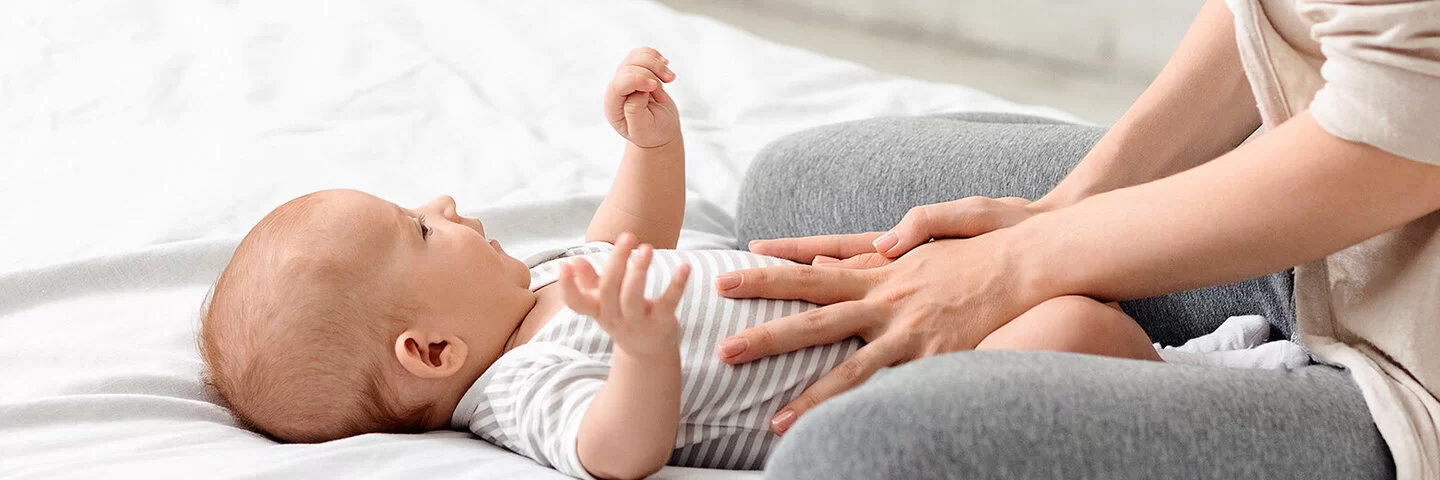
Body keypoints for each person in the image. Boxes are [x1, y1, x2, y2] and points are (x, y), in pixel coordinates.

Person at [198, 47, 1227, 480]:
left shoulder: (545, 280)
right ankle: (1204, 391)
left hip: (897, 307)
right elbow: (615, 453)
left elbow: (630, 232)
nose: (446, 206)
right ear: (429, 350)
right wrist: (643, 354)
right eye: (417, 231)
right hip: (898, 381)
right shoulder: (518, 386)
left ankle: (1188, 337)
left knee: (1022, 277)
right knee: (1072, 333)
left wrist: (650, 145)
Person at [721, 0, 1440, 478]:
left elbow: (1403, 136)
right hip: (1330, 244)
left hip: (1410, 370)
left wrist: (1011, 266)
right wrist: (1070, 208)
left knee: (849, 456)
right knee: (795, 188)